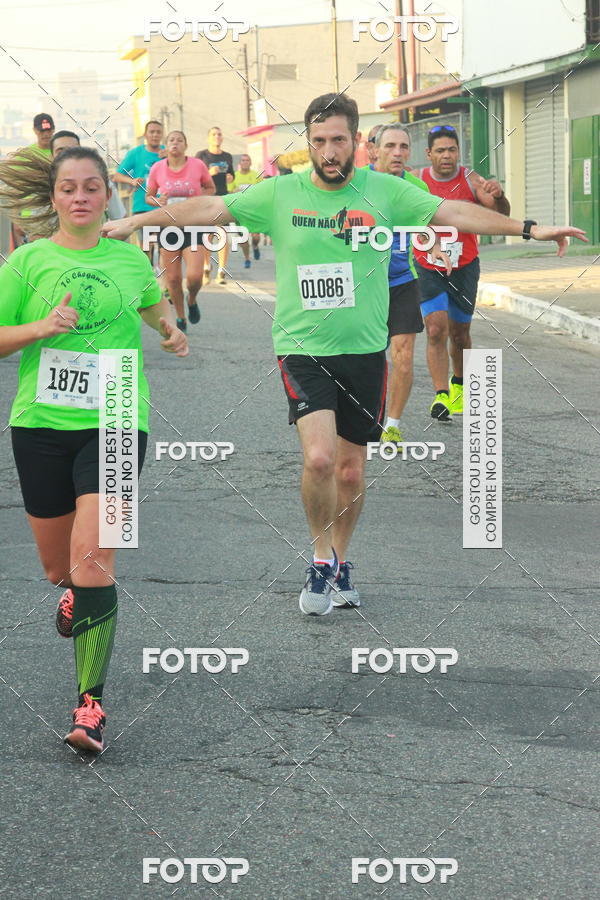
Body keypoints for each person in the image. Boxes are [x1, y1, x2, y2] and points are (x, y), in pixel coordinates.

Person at [102, 92, 586, 617]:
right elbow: (210, 207)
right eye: (318, 141)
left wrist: (531, 228)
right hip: (302, 346)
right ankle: (317, 558)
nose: (328, 151)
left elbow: (456, 213)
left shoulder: (386, 191)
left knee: (352, 472)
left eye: (337, 140)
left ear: (356, 141)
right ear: (307, 143)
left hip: (363, 349)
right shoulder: (281, 193)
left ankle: (340, 558)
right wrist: (138, 221)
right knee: (319, 458)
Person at [0, 146, 188, 753]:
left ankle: (90, 706)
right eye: (68, 189)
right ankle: (70, 593)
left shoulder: (130, 261)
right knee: (62, 568)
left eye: (91, 187)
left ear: (108, 194)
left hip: (115, 419)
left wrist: (170, 329)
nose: (80, 197)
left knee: (94, 560)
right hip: (40, 425)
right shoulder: (25, 261)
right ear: (52, 199)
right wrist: (39, 328)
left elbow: (155, 307)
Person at [413, 125, 511, 420]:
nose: (447, 156)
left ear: (459, 151)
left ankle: (459, 384)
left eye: (452, 150)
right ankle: (441, 396)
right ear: (429, 153)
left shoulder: (471, 180)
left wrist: (499, 194)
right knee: (435, 329)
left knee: (460, 334)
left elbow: (502, 214)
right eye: (440, 150)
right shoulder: (417, 182)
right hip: (428, 264)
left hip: (464, 266)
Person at [372, 125, 451, 445]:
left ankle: (392, 425)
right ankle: (362, 417)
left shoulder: (415, 185)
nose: (398, 152)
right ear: (374, 151)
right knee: (367, 357)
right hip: (364, 284)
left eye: (404, 146)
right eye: (390, 146)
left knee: (403, 355)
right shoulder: (357, 183)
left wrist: (434, 247)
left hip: (403, 279)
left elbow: (427, 221)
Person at [146, 130, 215, 331]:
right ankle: (180, 316)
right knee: (174, 279)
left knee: (194, 277)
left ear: (186, 145)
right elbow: (148, 196)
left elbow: (210, 188)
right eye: (171, 140)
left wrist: (199, 200)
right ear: (166, 146)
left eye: (179, 140)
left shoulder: (197, 165)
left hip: (193, 226)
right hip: (169, 229)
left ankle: (192, 299)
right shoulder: (157, 168)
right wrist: (158, 200)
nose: (175, 143)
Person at [113, 120, 164, 262]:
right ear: (145, 135)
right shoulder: (136, 153)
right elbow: (117, 175)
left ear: (162, 135)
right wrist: (132, 181)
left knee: (165, 245)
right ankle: (148, 273)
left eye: (158, 132)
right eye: (151, 132)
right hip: (142, 206)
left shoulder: (167, 152)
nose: (155, 135)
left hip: (164, 205)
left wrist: (167, 159)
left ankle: (164, 275)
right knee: (147, 243)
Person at [12, 113, 56, 247]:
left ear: (53, 129)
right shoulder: (25, 155)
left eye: (48, 130)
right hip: (31, 215)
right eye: (41, 130)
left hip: (56, 213)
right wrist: (16, 220)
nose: (45, 134)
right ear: (35, 131)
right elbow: (15, 189)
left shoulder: (61, 153)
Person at [196, 126, 234, 284]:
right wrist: (209, 174)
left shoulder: (228, 156)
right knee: (207, 236)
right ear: (208, 138)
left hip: (222, 199)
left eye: (219, 134)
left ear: (222, 138)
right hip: (206, 199)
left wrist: (230, 178)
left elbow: (232, 176)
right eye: (214, 134)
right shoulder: (201, 156)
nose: (217, 137)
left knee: (223, 234)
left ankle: (221, 271)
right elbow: (195, 177)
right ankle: (206, 267)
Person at [228, 153, 262, 267]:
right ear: (240, 163)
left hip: (254, 210)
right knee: (244, 238)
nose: (245, 162)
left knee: (256, 237)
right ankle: (247, 259)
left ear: (250, 163)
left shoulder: (256, 176)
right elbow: (228, 192)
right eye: (243, 160)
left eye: (247, 160)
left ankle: (256, 246)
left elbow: (264, 191)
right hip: (239, 211)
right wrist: (235, 191)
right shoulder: (234, 176)